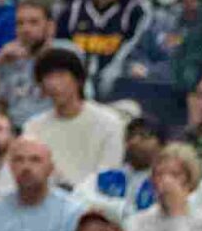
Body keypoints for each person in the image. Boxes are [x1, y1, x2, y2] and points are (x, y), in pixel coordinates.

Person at [22, 47, 125, 190]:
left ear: (78, 80)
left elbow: (108, 172)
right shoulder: (33, 126)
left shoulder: (109, 121)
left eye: (61, 75)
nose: (54, 84)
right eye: (48, 77)